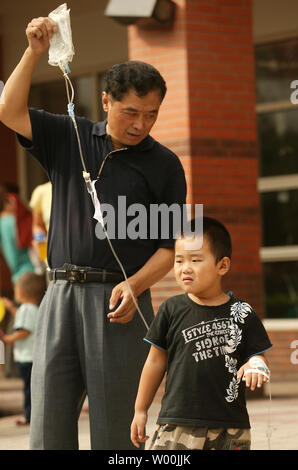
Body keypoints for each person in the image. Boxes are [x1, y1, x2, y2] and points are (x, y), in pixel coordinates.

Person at [0, 17, 186, 449]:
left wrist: (135, 284)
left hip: (121, 303)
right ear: (105, 101)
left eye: (152, 114)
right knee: (47, 424)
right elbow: (9, 111)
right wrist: (33, 52)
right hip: (59, 296)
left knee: (117, 431)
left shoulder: (164, 165)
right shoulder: (70, 137)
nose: (141, 124)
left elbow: (170, 246)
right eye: (131, 113)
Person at [131, 217, 273, 450]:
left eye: (196, 260)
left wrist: (257, 363)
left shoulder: (242, 312)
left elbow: (257, 355)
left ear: (222, 266)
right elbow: (155, 362)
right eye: (179, 260)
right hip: (178, 423)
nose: (185, 267)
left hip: (230, 425)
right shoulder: (171, 309)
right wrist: (140, 410)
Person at [0, 272, 45, 425]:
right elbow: (23, 319)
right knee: (34, 388)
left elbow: (24, 331)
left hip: (27, 358)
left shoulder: (26, 309)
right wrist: (12, 307)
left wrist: (7, 339)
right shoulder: (33, 308)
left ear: (21, 292)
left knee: (28, 389)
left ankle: (29, 416)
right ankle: (35, 414)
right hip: (33, 357)